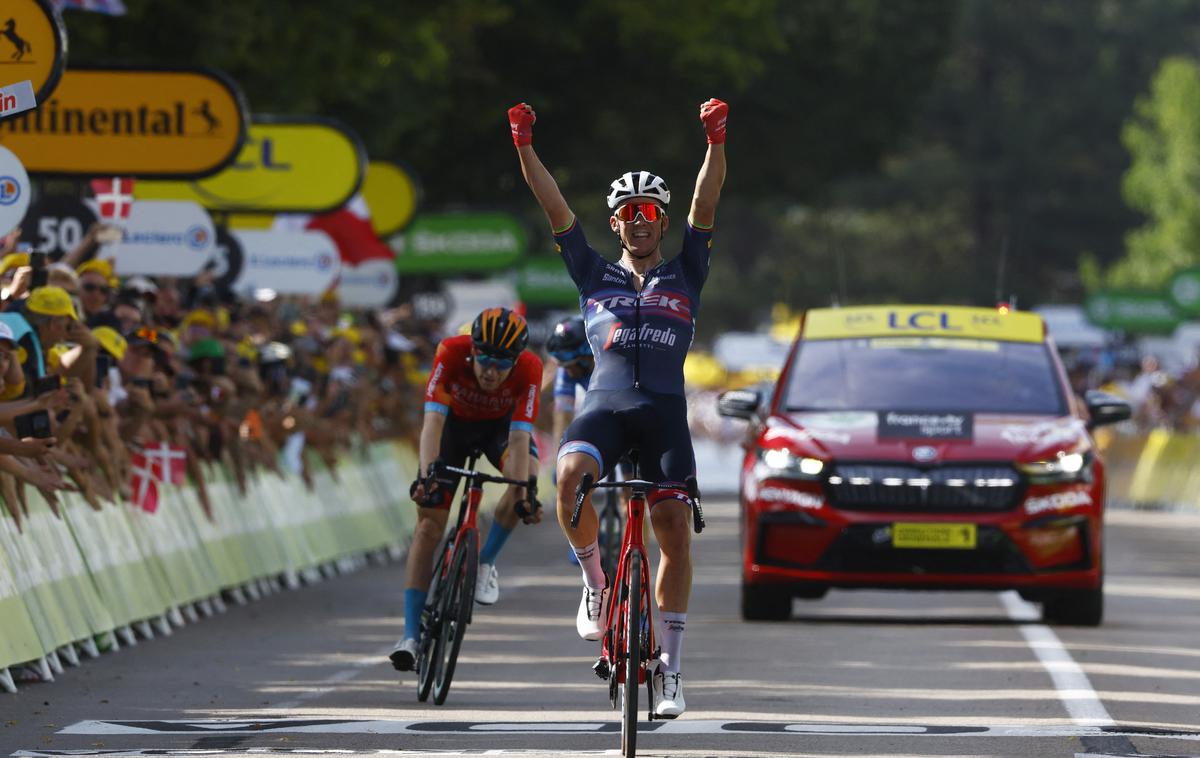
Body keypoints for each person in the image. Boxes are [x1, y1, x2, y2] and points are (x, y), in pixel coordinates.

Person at [509, 97, 727, 718]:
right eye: (627, 213)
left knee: (674, 535)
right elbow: (555, 207)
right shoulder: (592, 274)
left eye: (648, 213)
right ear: (616, 223)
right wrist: (525, 145)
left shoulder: (688, 271)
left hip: (661, 412)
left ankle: (675, 672)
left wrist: (715, 142)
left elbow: (705, 205)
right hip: (605, 405)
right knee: (569, 477)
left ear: (661, 221)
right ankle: (595, 586)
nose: (638, 222)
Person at [389, 307, 544, 672]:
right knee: (428, 527)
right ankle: (410, 634)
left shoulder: (530, 368)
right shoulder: (451, 352)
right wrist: (428, 476)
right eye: (485, 360)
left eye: (502, 364)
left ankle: (485, 562)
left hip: (500, 432)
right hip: (452, 430)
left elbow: (521, 439)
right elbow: (431, 424)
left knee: (525, 481)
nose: (491, 372)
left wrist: (522, 492)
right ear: (473, 350)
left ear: (516, 361)